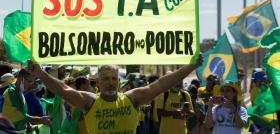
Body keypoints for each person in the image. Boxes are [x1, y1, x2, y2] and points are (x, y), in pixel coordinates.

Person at [26, 54, 203, 134]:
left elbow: (160, 85)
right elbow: (63, 90)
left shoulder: (131, 99)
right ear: (98, 82)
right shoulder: (90, 102)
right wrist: (40, 73)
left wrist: (190, 67)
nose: (110, 82)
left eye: (114, 78)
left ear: (119, 81)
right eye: (106, 78)